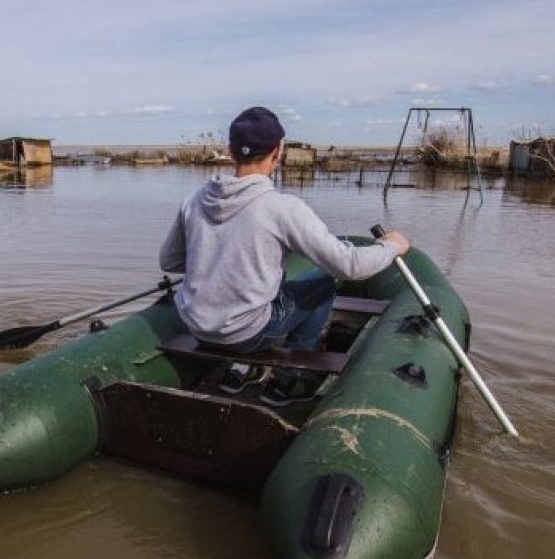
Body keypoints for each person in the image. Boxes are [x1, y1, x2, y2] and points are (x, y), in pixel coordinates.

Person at [159, 106, 410, 406]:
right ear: (278, 151)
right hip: (247, 334)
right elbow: (348, 266)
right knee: (324, 280)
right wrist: (392, 245)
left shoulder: (195, 199)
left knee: (280, 285)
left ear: (230, 150)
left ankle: (240, 371)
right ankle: (289, 379)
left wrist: (213, 256)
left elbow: (170, 262)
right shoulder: (282, 208)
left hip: (197, 326)